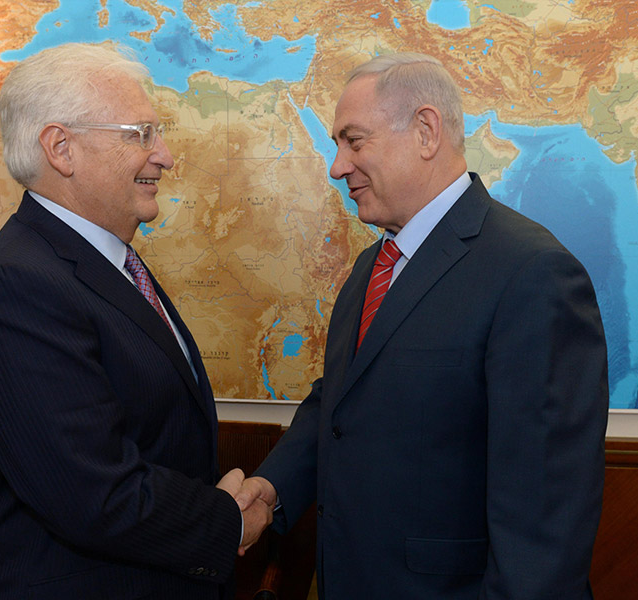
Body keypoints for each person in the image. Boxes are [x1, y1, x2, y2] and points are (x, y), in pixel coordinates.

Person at [236, 53, 609, 599]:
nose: (336, 166)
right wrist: (270, 490)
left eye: (354, 141)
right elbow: (338, 403)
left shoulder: (532, 273)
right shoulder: (373, 266)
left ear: (426, 131)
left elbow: (544, 518)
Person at [0, 43, 271, 600]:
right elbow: (91, 494)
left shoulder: (106, 260)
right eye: (139, 134)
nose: (165, 155)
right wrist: (228, 521)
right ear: (61, 148)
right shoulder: (17, 286)